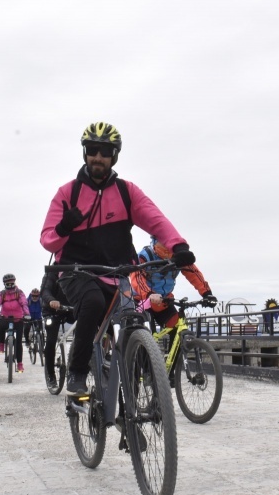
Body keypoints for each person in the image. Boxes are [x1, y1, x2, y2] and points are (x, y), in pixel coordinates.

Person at [40, 121, 198, 396]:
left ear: (114, 155)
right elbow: (47, 239)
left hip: (118, 271)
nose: (97, 157)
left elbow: (156, 220)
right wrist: (64, 227)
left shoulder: (127, 192)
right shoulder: (68, 193)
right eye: (92, 150)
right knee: (92, 302)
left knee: (135, 320)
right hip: (78, 271)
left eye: (104, 151)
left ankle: (135, 404)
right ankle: (77, 370)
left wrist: (178, 245)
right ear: (84, 152)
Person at [131, 236, 218, 347]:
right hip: (143, 301)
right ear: (155, 242)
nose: (167, 246)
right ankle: (146, 363)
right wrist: (149, 294)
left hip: (164, 300)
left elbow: (194, 274)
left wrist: (207, 294)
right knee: (148, 337)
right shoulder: (144, 256)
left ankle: (174, 363)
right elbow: (136, 278)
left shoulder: (179, 257)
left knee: (177, 329)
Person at [40, 268, 75, 390]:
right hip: (52, 309)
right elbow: (45, 291)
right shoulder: (52, 272)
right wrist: (51, 300)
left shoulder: (77, 269)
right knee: (50, 341)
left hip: (71, 308)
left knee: (85, 327)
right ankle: (51, 375)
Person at [0, 273, 31, 373]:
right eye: (7, 283)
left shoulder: (19, 292)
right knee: (0, 326)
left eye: (11, 283)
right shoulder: (2, 294)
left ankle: (20, 364)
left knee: (19, 342)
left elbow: (24, 303)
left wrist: (27, 314)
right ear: (4, 284)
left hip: (18, 318)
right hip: (5, 317)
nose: (9, 285)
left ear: (14, 282)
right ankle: (1, 344)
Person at [24, 288, 43, 352]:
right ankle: (27, 341)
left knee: (41, 331)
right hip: (29, 318)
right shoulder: (27, 301)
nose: (35, 297)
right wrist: (24, 316)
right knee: (26, 328)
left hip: (38, 318)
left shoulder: (41, 301)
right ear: (31, 295)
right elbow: (24, 308)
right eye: (33, 296)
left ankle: (42, 344)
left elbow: (45, 308)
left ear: (39, 296)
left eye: (36, 296)